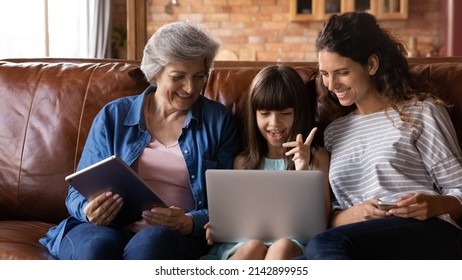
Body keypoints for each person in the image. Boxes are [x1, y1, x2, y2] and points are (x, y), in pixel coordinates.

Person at [39, 21, 239, 260]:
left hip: (173, 237)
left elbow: (229, 207)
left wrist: (189, 222)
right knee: (95, 248)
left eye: (199, 77)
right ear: (155, 73)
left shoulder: (219, 122)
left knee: (150, 243)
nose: (190, 87)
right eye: (178, 77)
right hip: (107, 228)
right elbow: (77, 192)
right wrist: (87, 209)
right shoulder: (113, 116)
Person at [302, 12, 462, 259]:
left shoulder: (421, 112)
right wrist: (353, 214)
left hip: (427, 231)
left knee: (323, 247)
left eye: (342, 72)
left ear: (372, 65)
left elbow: (458, 188)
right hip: (356, 240)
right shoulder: (334, 131)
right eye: (324, 74)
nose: (331, 85)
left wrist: (433, 204)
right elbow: (329, 214)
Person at [203, 64, 331, 260]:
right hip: (245, 244)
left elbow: (320, 225)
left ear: (298, 113)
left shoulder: (318, 158)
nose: (274, 123)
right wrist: (218, 227)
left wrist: (302, 170)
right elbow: (236, 220)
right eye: (264, 113)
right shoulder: (243, 162)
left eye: (285, 113)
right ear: (253, 114)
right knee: (252, 246)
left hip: (294, 244)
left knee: (282, 246)